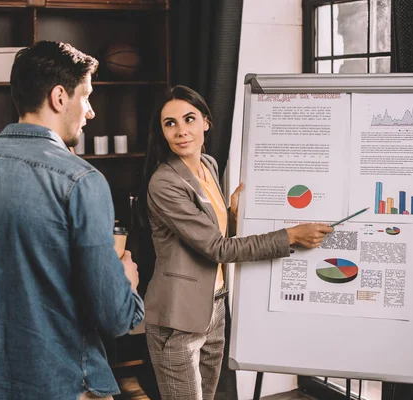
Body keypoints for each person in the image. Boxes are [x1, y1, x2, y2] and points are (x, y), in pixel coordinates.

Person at [0, 41, 144, 400]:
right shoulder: (81, 180)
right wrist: (126, 284)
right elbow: (114, 317)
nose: (90, 112)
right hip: (64, 385)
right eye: (86, 96)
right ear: (59, 97)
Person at [139, 85, 333, 400]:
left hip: (214, 307)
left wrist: (230, 213)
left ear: (206, 122)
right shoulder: (164, 183)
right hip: (177, 317)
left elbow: (213, 234)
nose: (181, 130)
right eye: (169, 123)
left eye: (189, 119)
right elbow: (218, 248)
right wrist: (292, 236)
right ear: (161, 132)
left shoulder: (209, 166)